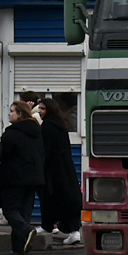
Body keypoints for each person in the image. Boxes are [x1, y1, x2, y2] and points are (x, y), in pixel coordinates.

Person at [35, 97, 83, 245]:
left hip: (52, 171)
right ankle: (74, 231)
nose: (40, 111)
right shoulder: (61, 125)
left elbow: (46, 151)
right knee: (68, 200)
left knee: (48, 199)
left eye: (42, 108)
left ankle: (47, 226)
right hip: (65, 169)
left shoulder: (47, 127)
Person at [0, 100, 44, 255]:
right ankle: (18, 247)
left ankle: (27, 229)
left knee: (10, 210)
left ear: (20, 114)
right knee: (24, 212)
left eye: (12, 111)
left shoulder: (10, 134)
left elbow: (3, 156)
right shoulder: (36, 132)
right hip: (33, 178)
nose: (9, 114)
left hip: (13, 178)